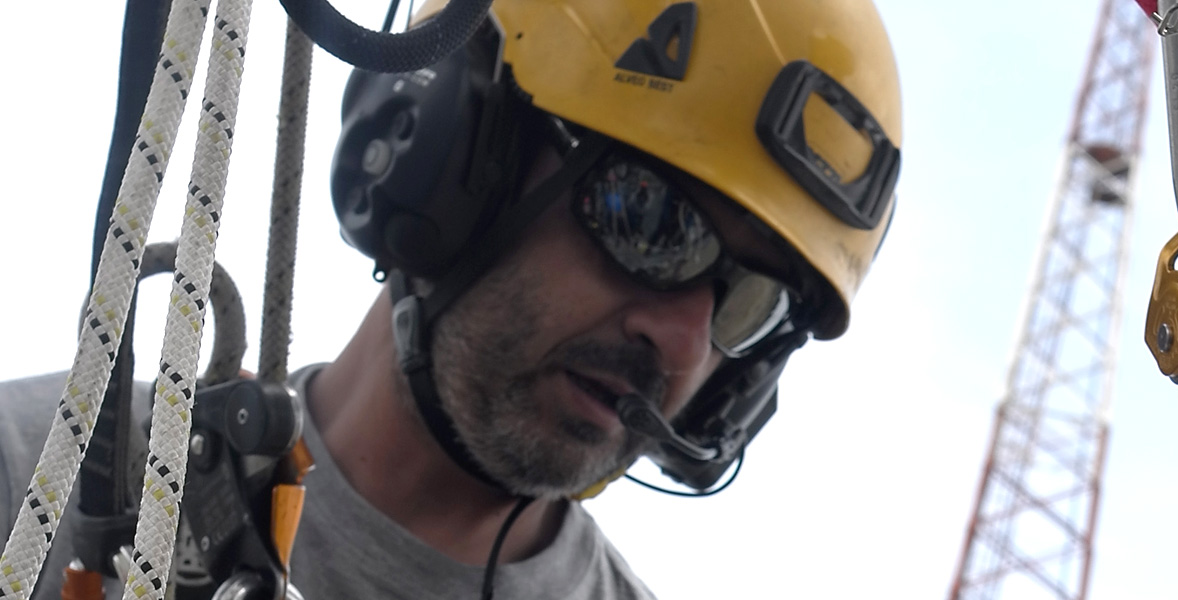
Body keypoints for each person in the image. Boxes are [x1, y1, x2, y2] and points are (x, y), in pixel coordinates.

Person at [0, 0, 903, 597]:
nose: (681, 338)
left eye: (752, 302)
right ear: (446, 152)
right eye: (652, 221)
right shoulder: (36, 475)